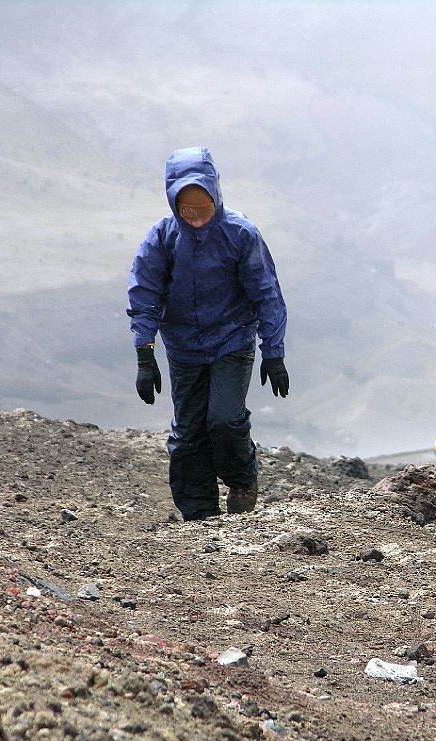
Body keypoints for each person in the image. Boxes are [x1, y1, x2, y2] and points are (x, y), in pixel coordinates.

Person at [127, 146, 289, 520]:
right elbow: (145, 292)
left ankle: (242, 481)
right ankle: (200, 516)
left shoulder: (240, 234)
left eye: (204, 208)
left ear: (216, 195)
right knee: (187, 434)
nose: (197, 218)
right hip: (183, 347)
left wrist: (274, 352)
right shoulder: (163, 238)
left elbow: (266, 293)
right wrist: (144, 352)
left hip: (232, 341)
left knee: (224, 420)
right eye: (187, 210)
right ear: (173, 203)